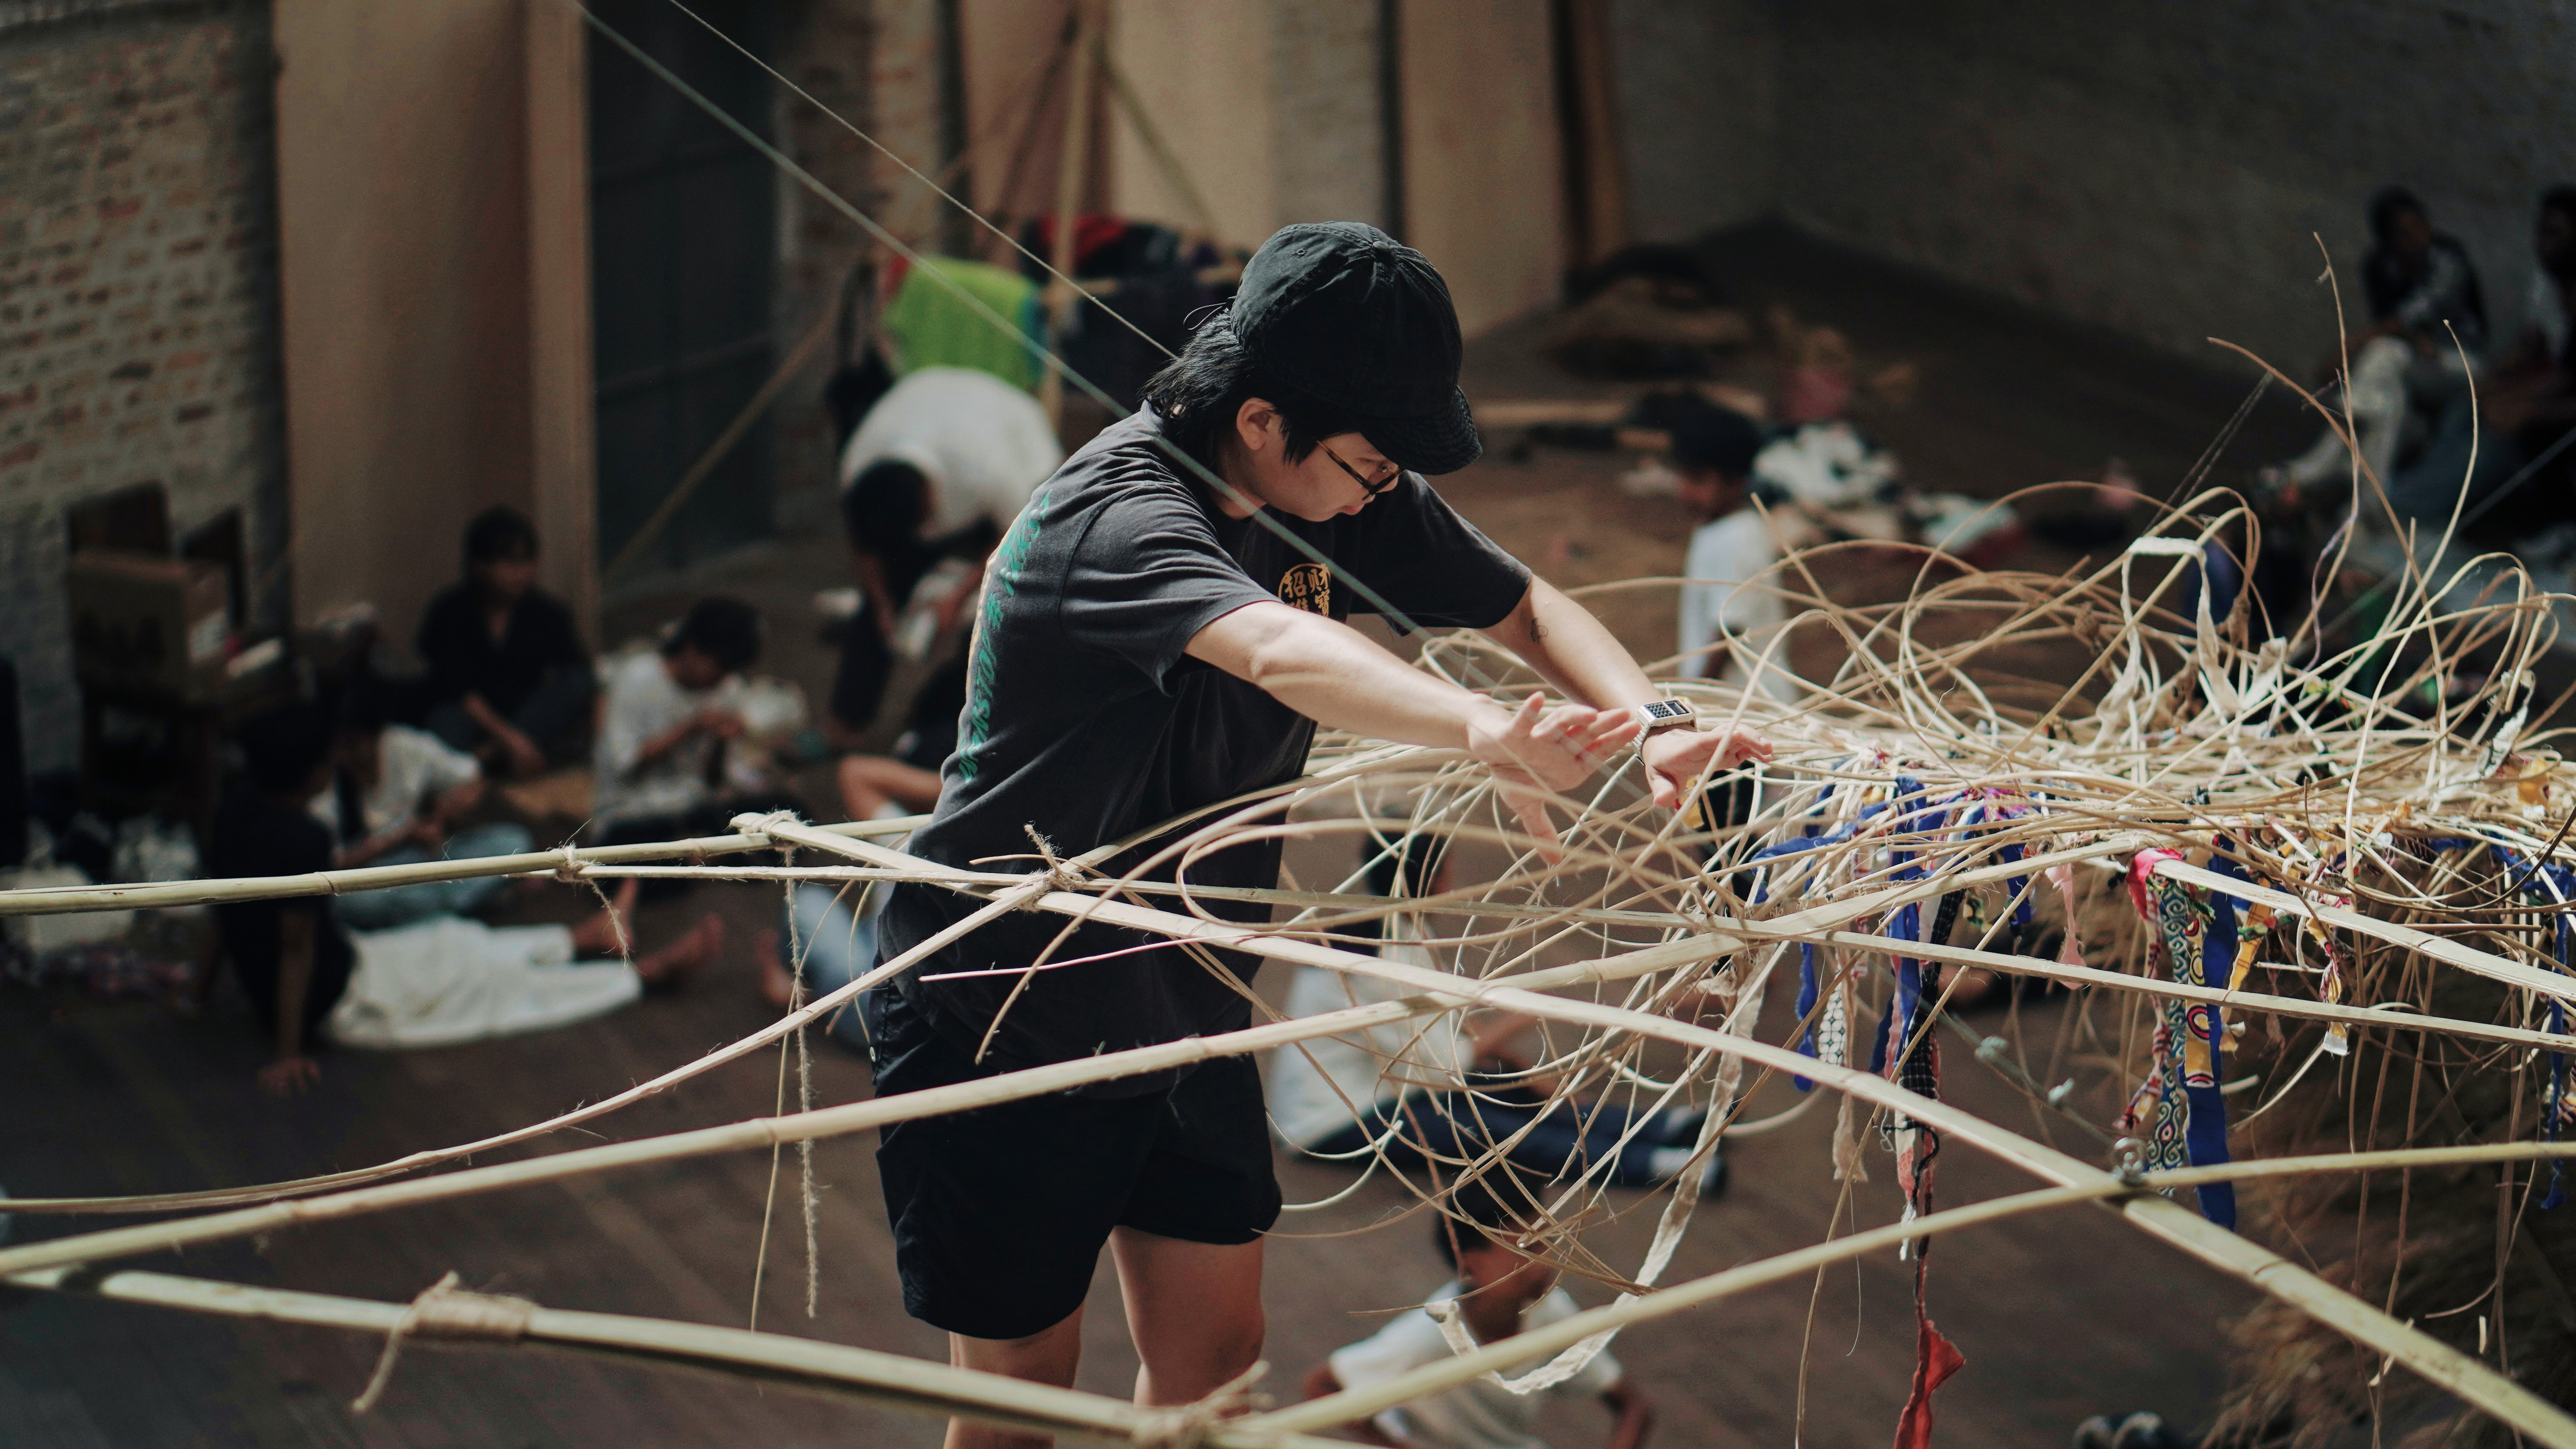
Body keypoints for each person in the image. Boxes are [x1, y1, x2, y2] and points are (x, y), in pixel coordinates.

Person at [863, 221, 1768, 1449]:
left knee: (1220, 1353)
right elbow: (1283, 650)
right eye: (1369, 460)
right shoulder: (1116, 520)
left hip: (1184, 988)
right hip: (1010, 997)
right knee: (1022, 1385)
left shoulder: (1343, 483)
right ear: (1257, 421)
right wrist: (1484, 730)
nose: (1387, 486)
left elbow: (1527, 604)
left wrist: (1653, 722)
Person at [211, 706, 719, 1095]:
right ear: (313, 772)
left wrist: (200, 983)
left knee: (454, 942)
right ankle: (640, 975)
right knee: (491, 990)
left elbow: (222, 905)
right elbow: (295, 948)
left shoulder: (233, 811)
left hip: (343, 959)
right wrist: (288, 1051)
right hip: (340, 1000)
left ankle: (583, 936)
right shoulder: (301, 838)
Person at [1268, 834, 1722, 1192]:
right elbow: (1444, 1066)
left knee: (1512, 1091)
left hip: (1389, 1087)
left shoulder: (1394, 931)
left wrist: (1511, 1067)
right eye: (1448, 867)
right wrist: (1519, 1019)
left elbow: (1444, 1042)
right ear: (1433, 879)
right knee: (1495, 1133)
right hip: (1335, 1121)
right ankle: (1662, 1164)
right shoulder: (1381, 955)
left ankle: (1663, 1128)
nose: (1455, 876)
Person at [1298, 1175, 1656, 1449]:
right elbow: (1322, 1385)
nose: (1547, 1256)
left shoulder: (1551, 1312)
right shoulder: (1426, 1339)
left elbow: (1634, 1407)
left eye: (1549, 1239)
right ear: (1470, 1266)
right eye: (1527, 1247)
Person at [830, 365, 1064, 739]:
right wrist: (881, 603)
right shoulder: (860, 465)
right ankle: (844, 722)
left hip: (1017, 460)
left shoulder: (991, 471)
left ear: (928, 500)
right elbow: (866, 544)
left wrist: (957, 597)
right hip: (934, 402)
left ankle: (942, 721)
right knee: (876, 612)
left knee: (996, 611)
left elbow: (1017, 535)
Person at [2272, 188, 2488, 500]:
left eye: (2420, 227)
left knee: (2381, 356)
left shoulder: (2448, 258)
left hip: (2461, 361)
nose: (2418, 239)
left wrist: (2348, 348)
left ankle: (2315, 467)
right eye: (2404, 234)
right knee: (2389, 402)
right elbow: (2396, 326)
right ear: (2389, 241)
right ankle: (2368, 500)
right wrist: (2407, 338)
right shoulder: (2381, 266)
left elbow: (2413, 315)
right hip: (2411, 357)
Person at [2389, 188, 2576, 526]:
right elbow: (2537, 351)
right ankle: (2417, 494)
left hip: (2563, 415)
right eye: (2541, 232)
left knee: (2500, 430)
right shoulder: (2548, 284)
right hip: (2547, 388)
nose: (2543, 243)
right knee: (2466, 405)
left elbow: (2568, 382)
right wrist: (2491, 384)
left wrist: (2526, 406)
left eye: (2555, 235)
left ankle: (2407, 506)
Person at [313, 679, 532, 931]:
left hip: (426, 862)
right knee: (348, 904)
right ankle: (464, 905)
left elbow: (473, 779)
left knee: (513, 841)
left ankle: (429, 913)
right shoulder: (327, 780)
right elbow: (331, 865)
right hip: (373, 877)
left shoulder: (405, 746)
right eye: (339, 745)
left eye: (353, 744)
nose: (344, 755)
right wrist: (401, 837)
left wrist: (444, 813)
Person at [592, 597, 803, 856]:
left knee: (790, 814)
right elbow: (625, 765)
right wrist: (690, 728)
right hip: (635, 813)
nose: (723, 677)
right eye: (720, 667)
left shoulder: (727, 688)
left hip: (693, 809)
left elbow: (714, 780)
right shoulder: (638, 678)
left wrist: (722, 741)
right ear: (692, 649)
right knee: (624, 852)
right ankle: (699, 863)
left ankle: (696, 862)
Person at [417, 507, 596, 777]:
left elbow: (579, 672)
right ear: (480, 565)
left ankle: (489, 757)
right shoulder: (450, 611)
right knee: (443, 722)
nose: (521, 573)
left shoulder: (546, 612)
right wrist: (510, 740)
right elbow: (456, 687)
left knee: (576, 683)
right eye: (510, 563)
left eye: (527, 562)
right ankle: (492, 758)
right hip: (474, 717)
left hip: (525, 716)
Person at [1670, 400, 1792, 703]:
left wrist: (1695, 699)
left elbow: (1728, 631)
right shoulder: (1714, 529)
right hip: (1733, 701)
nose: (1685, 489)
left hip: (1748, 704)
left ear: (1734, 484)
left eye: (1698, 480)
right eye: (1683, 476)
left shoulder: (1738, 538)